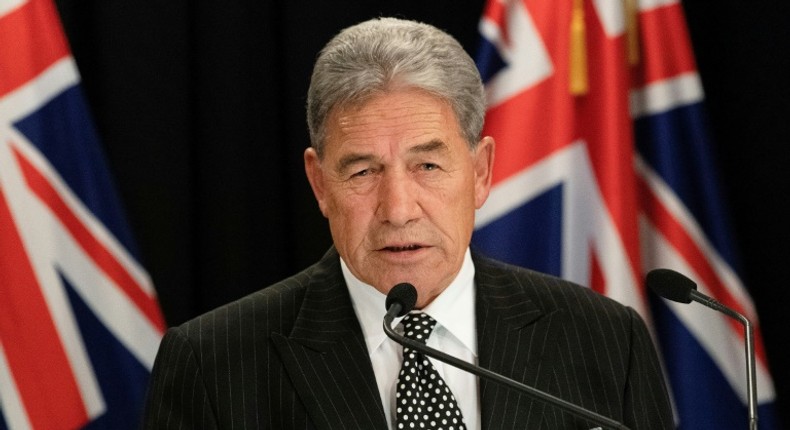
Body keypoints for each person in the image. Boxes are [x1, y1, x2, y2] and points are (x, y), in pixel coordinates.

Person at [142, 17, 674, 429]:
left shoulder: (607, 341)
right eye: (363, 170)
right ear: (319, 183)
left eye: (427, 165)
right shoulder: (212, 365)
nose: (398, 209)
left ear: (481, 172)